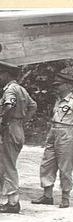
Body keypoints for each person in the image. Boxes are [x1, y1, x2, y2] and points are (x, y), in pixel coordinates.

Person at [0, 61, 37, 213]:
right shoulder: (21, 89)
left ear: (6, 74)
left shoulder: (10, 90)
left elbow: (9, 105)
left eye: (0, 74)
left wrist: (6, 122)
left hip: (9, 129)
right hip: (17, 127)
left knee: (6, 166)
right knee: (9, 164)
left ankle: (13, 202)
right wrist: (21, 121)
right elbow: (33, 106)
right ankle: (12, 201)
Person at [32, 68, 73, 208]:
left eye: (59, 85)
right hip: (54, 130)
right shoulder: (58, 100)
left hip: (67, 132)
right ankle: (47, 195)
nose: (56, 87)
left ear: (68, 85)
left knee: (65, 166)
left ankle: (65, 197)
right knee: (47, 163)